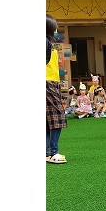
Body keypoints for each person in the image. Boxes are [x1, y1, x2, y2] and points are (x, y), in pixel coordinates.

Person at [46, 14, 67, 164]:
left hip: (51, 81)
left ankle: (47, 152)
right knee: (58, 116)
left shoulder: (48, 41)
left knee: (47, 119)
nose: (57, 28)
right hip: (47, 82)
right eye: (55, 25)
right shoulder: (44, 41)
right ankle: (53, 152)